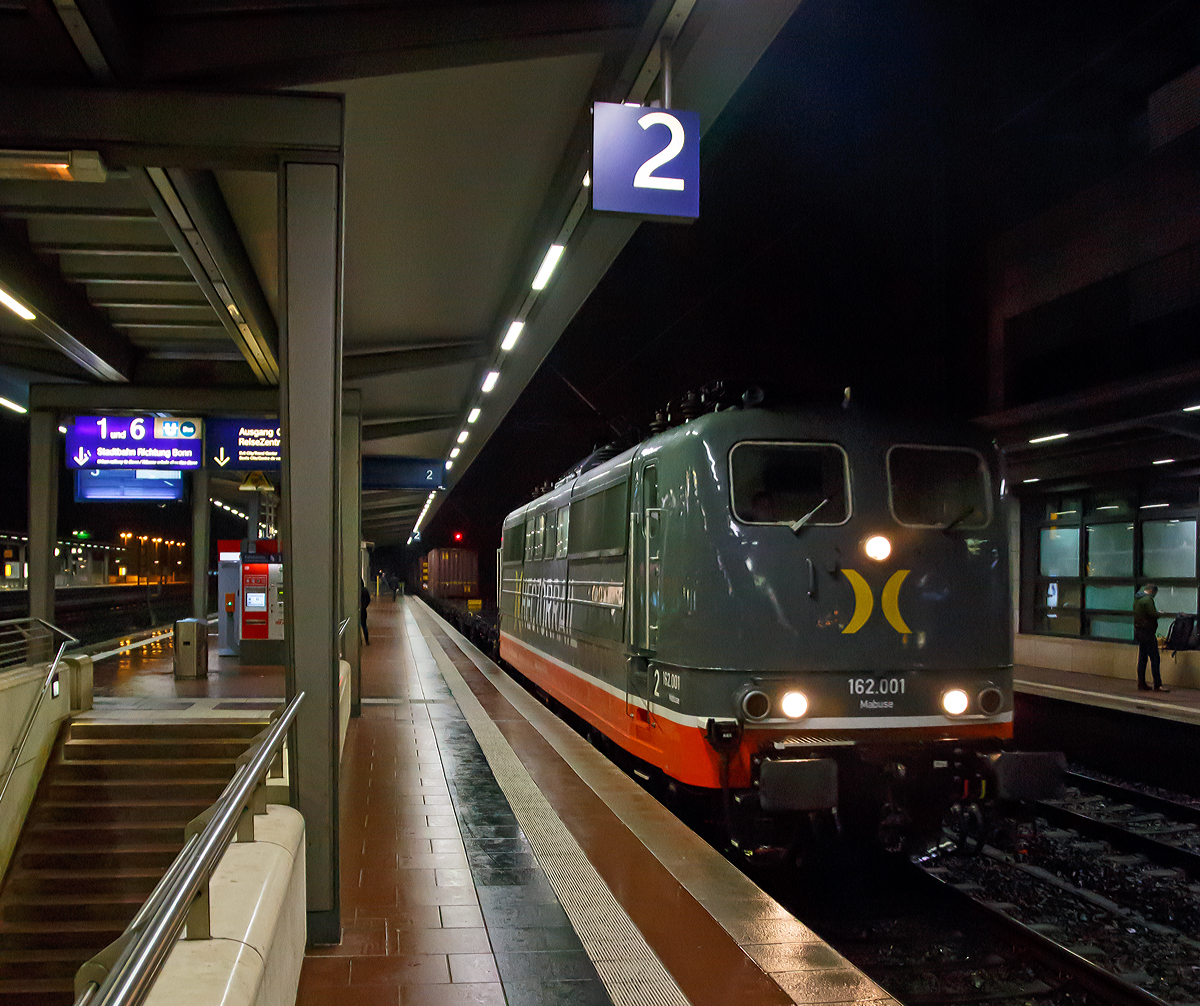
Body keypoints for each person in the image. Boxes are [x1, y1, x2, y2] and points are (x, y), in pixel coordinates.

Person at [1132, 583, 1167, 692]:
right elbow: (1152, 614)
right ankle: (1157, 684)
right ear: (1152, 591)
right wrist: (1159, 614)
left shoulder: (1137, 600)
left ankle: (1141, 683)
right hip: (1148, 633)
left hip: (1139, 632)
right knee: (1155, 658)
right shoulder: (1147, 600)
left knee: (1142, 658)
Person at [360, 578, 371, 646]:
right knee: (364, 626)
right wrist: (364, 606)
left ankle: (359, 641)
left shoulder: (357, 591)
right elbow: (368, 600)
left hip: (358, 610)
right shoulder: (365, 590)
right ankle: (366, 640)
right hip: (363, 610)